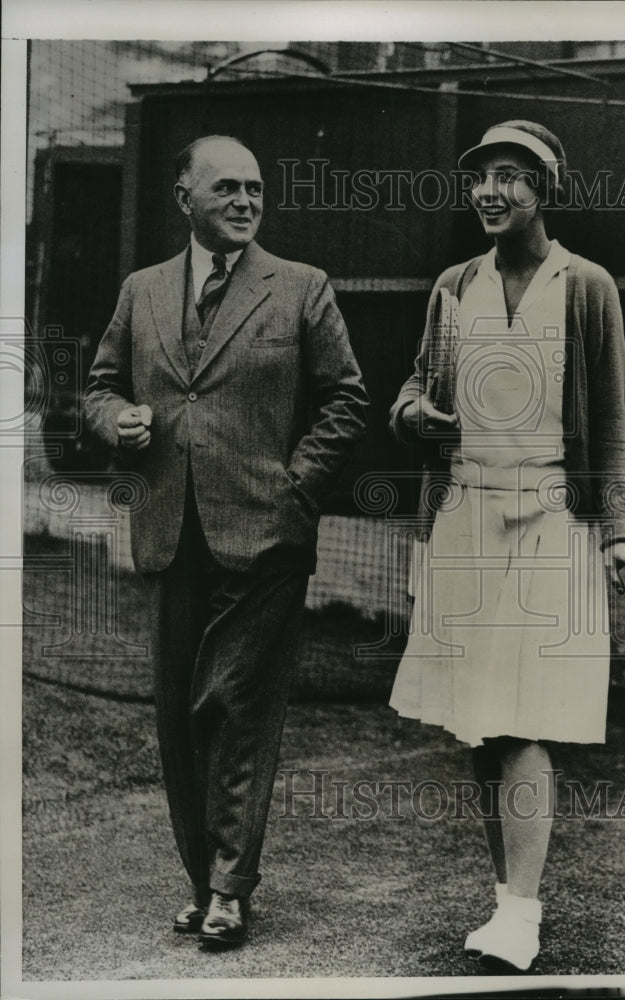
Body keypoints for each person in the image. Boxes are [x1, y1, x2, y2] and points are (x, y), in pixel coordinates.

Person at [84, 135, 369, 948]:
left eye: (255, 188)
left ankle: (229, 888)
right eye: (227, 189)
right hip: (173, 531)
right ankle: (200, 879)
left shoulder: (302, 289)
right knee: (181, 712)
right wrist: (118, 422)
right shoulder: (141, 293)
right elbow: (100, 387)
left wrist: (294, 486)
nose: (246, 201)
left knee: (233, 703)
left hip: (265, 539)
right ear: (184, 200)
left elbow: (346, 399)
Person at [388, 121, 625, 973]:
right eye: (480, 179)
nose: (490, 192)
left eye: (510, 176)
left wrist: (618, 531)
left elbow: (609, 423)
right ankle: (508, 903)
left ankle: (524, 913)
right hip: (461, 514)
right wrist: (411, 417)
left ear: (544, 189)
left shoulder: (587, 287)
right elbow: (412, 387)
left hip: (551, 521)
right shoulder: (452, 285)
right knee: (478, 724)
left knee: (528, 718)